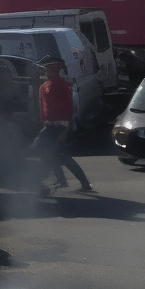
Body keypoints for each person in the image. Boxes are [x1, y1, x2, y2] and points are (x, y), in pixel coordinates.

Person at [32, 55, 93, 193]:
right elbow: (43, 108)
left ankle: (78, 183)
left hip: (60, 125)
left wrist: (65, 130)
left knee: (42, 148)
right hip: (49, 125)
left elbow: (67, 107)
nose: (44, 70)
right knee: (57, 154)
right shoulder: (44, 86)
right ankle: (69, 181)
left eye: (47, 67)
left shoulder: (61, 84)